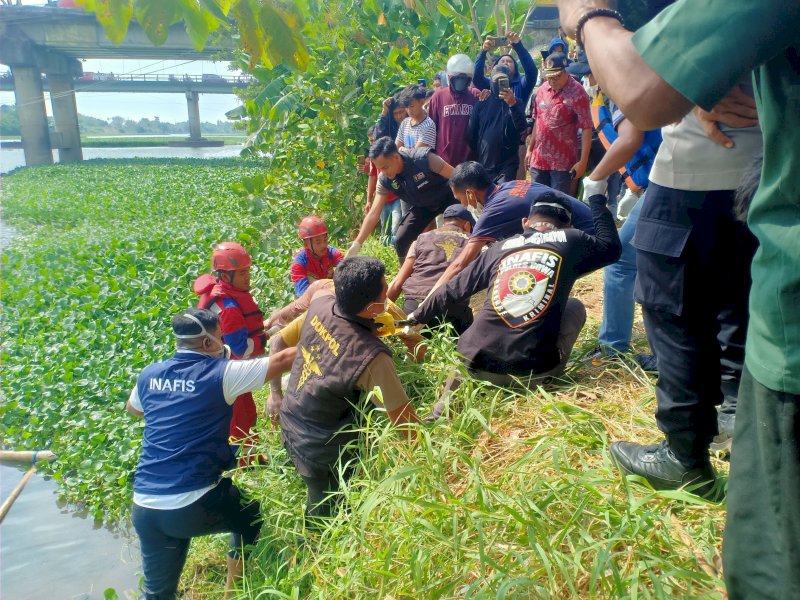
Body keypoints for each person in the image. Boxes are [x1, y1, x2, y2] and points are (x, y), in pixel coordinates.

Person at [554, 2, 798, 595]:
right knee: (734, 300)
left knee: (670, 299)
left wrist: (588, 18)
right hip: (756, 179)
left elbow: (643, 88)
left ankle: (685, 452)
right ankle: (736, 417)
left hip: (701, 177)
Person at [127, 308, 296, 599]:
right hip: (190, 504)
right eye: (220, 336)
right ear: (207, 343)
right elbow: (282, 360)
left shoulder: (149, 374)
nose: (223, 342)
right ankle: (232, 593)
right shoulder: (222, 373)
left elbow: (134, 410)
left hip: (144, 506)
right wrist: (325, 327)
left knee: (157, 594)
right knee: (249, 515)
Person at [408, 191, 621, 417]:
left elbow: (451, 290)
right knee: (574, 306)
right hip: (531, 373)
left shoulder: (497, 249)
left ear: (525, 223)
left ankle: (442, 409)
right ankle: (545, 373)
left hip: (474, 365)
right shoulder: (573, 239)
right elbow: (612, 248)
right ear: (567, 224)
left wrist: (416, 317)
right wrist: (597, 198)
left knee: (480, 327)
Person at [280, 257, 421, 523]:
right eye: (385, 288)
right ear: (371, 308)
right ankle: (308, 553)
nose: (388, 288)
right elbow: (407, 427)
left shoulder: (321, 303)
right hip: (320, 451)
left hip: (291, 417)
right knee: (326, 515)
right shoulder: (372, 358)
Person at [577, 55, 662, 371]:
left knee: (623, 260)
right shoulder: (642, 76)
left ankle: (613, 348)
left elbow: (630, 140)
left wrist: (595, 178)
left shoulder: (621, 85)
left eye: (587, 73)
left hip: (669, 183)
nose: (586, 79)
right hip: (665, 182)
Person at [263, 278, 427, 421]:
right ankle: (268, 322)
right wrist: (275, 394)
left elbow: (418, 344)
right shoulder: (323, 304)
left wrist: (407, 377)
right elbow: (278, 342)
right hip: (319, 288)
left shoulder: (388, 315)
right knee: (282, 319)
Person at [429, 161, 594, 293]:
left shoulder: (494, 210)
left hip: (587, 241)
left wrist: (429, 298)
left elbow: (460, 263)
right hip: (592, 223)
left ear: (471, 193)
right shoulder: (512, 185)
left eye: (460, 200)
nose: (463, 206)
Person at [193, 242, 268, 464]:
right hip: (225, 371)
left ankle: (249, 455)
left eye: (248, 271)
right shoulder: (230, 309)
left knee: (244, 413)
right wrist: (265, 338)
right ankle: (243, 464)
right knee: (239, 418)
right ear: (225, 276)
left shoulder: (223, 295)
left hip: (216, 366)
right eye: (242, 273)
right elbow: (241, 349)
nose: (248, 277)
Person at [347, 137, 455, 261]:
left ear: (396, 157)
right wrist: (357, 244)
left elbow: (458, 176)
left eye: (385, 167)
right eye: (380, 169)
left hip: (449, 198)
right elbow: (373, 214)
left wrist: (470, 202)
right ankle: (409, 277)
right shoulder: (384, 180)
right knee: (402, 239)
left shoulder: (424, 159)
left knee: (454, 232)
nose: (383, 172)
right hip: (423, 207)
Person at [387, 203, 475, 333]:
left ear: (444, 222)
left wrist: (378, 316)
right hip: (451, 309)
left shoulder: (420, 239)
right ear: (467, 225)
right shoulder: (472, 243)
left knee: (415, 348)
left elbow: (397, 282)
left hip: (414, 307)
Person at [526, 52, 593, 195]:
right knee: (538, 200)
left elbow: (586, 127)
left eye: (557, 76)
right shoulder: (542, 90)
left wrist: (583, 161)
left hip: (562, 163)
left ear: (566, 72)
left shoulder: (578, 93)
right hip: (539, 159)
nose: (552, 81)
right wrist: (530, 149)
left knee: (558, 203)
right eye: (549, 77)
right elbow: (538, 120)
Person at [467, 65, 527, 184]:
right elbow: (471, 134)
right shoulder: (482, 103)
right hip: (485, 162)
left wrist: (512, 105)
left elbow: (522, 128)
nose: (499, 83)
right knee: (487, 198)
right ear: (491, 82)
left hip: (508, 164)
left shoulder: (517, 102)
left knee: (503, 197)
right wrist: (480, 149)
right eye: (496, 80)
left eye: (503, 80)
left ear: (509, 81)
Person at [426, 54, 481, 167]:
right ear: (450, 78)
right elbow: (431, 127)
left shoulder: (475, 95)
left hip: (469, 159)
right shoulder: (438, 96)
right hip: (444, 160)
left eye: (464, 79)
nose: (460, 82)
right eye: (457, 78)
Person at [472, 32, 538, 106]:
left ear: (515, 68)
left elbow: (532, 72)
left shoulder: (522, 85)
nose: (505, 63)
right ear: (495, 68)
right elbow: (476, 78)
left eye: (509, 61)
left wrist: (518, 46)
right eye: (502, 61)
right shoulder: (490, 83)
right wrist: (483, 51)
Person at [365, 126, 402, 246]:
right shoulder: (373, 158)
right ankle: (386, 252)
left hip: (397, 196)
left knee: (396, 226)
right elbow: (372, 177)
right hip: (382, 199)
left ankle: (395, 250)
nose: (373, 143)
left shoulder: (389, 154)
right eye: (370, 141)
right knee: (385, 229)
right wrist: (369, 200)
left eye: (374, 140)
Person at [290, 216, 344, 296]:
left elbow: (346, 266)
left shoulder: (332, 253)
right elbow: (303, 294)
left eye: (325, 240)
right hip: (313, 300)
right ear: (306, 245)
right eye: (318, 242)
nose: (324, 245)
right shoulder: (299, 265)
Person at [395, 84, 437, 151]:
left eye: (412, 106)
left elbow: (416, 154)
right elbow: (396, 148)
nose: (409, 110)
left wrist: (402, 149)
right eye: (406, 107)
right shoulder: (405, 123)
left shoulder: (428, 125)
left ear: (422, 102)